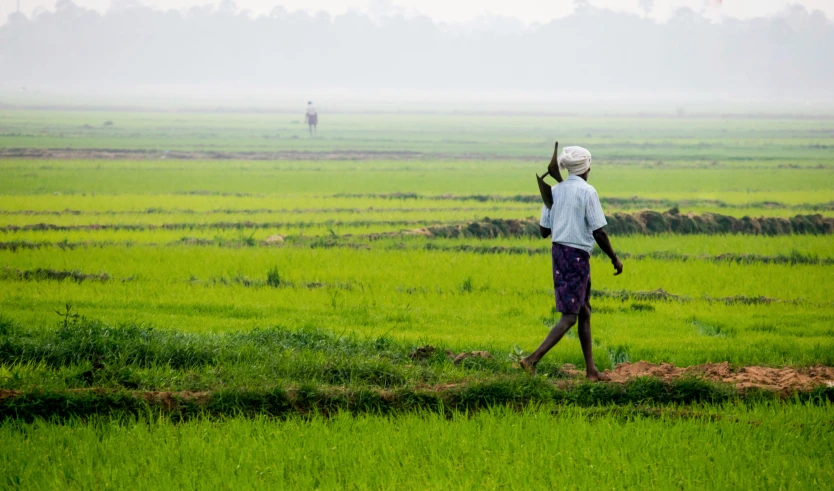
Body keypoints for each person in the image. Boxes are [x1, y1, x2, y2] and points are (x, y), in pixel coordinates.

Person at [519, 145, 623, 381]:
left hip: (560, 253)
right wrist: (614, 258)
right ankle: (531, 360)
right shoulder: (588, 192)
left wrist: (558, 211)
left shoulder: (554, 191)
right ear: (587, 167)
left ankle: (591, 371)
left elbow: (544, 231)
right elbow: (599, 232)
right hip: (577, 256)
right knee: (570, 316)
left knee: (584, 309)